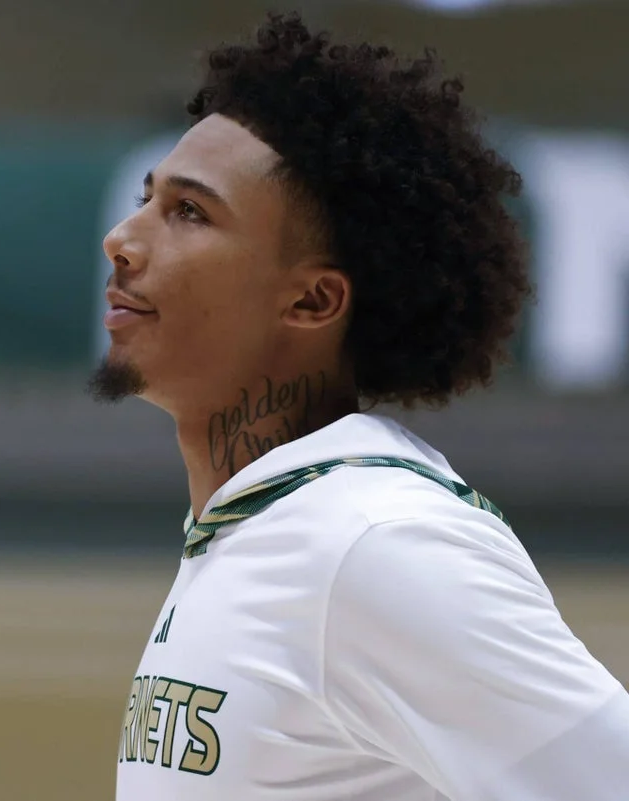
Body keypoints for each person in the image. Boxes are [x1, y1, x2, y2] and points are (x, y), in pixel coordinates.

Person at [91, 12, 629, 801]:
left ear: (312, 301)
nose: (122, 238)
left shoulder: (378, 543)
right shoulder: (261, 526)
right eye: (147, 199)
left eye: (190, 212)